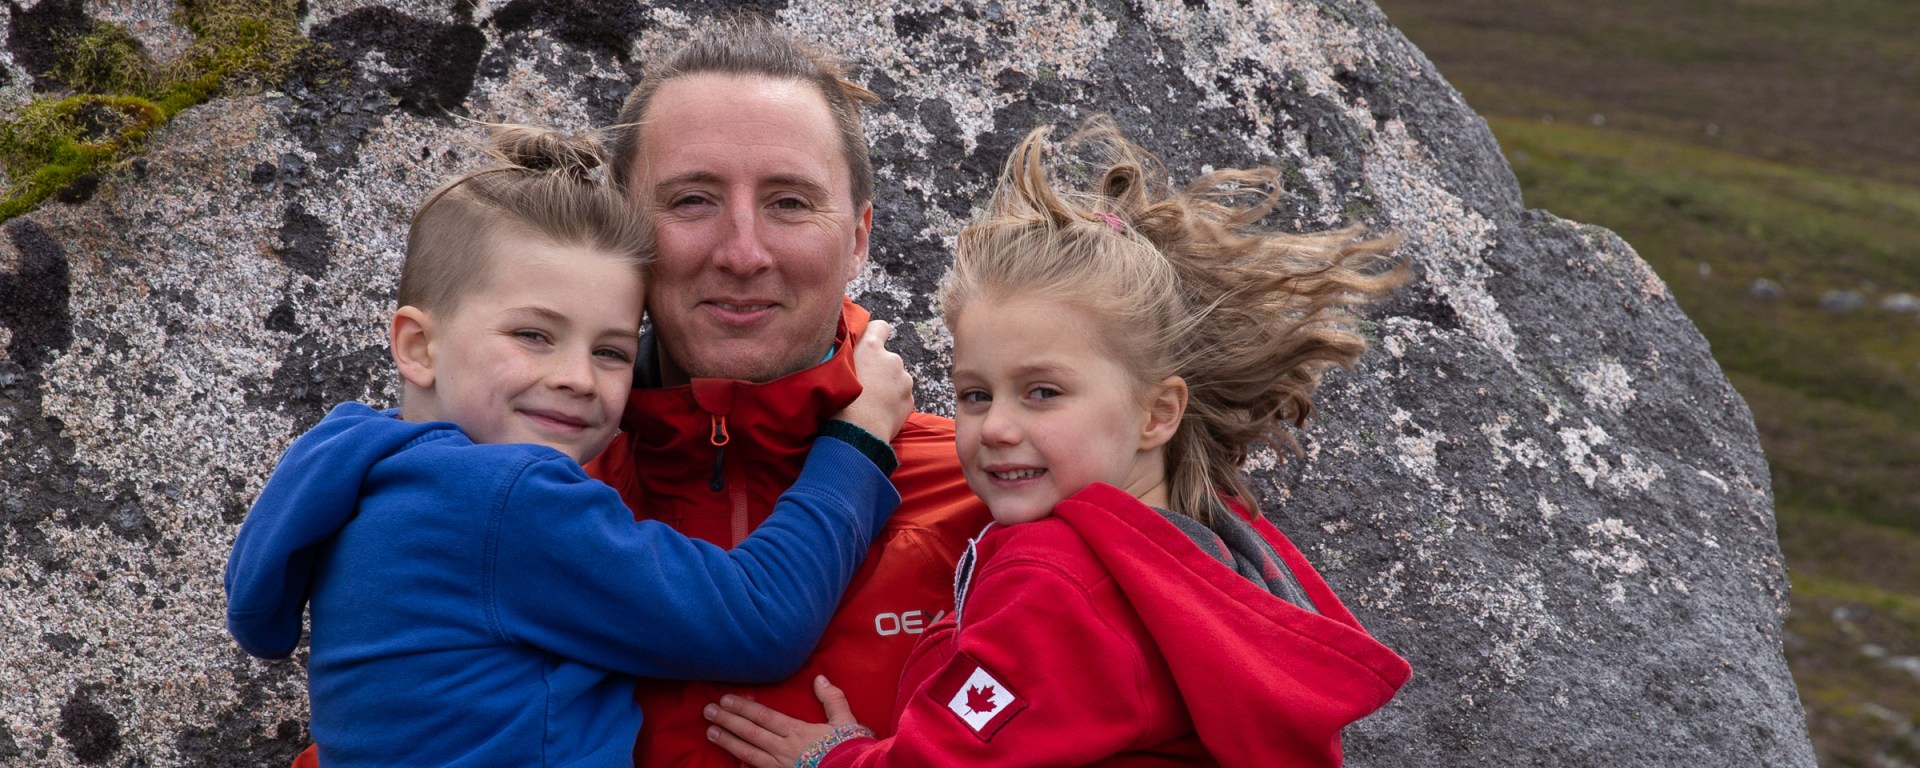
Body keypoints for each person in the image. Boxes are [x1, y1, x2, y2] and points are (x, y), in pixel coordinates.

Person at [701, 120, 1415, 767]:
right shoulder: (1216, 550)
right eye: (975, 395)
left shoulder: (1057, 578)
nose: (996, 427)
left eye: (1042, 392)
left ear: (1157, 413)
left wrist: (835, 759)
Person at [224, 124, 917, 767]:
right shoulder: (505, 499)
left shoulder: (360, 473)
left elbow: (259, 622)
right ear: (418, 345)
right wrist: (855, 442)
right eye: (534, 335)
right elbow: (757, 620)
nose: (578, 379)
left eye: (612, 351)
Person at [584, 14, 991, 766]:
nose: (743, 253)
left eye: (790, 203)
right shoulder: (536, 503)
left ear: (859, 237)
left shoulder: (991, 498)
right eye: (692, 200)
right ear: (621, 229)